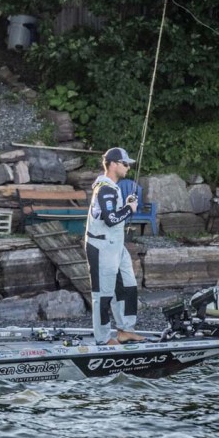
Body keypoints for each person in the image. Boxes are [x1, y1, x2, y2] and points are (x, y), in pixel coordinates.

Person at [85, 147, 145, 345]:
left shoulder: (113, 188)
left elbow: (113, 213)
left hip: (116, 246)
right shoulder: (105, 188)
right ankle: (103, 339)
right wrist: (129, 209)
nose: (128, 167)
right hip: (101, 247)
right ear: (113, 164)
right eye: (125, 164)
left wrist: (126, 206)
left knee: (128, 285)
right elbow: (110, 219)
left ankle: (125, 330)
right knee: (102, 294)